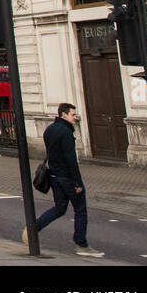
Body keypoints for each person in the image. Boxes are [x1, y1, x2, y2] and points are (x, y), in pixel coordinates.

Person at [25, 103, 104, 257]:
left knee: (60, 208)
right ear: (63, 115)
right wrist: (78, 183)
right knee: (80, 210)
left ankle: (34, 228)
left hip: (54, 176)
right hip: (67, 178)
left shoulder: (49, 130)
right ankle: (81, 244)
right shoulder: (66, 132)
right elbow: (71, 160)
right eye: (73, 114)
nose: (75, 117)